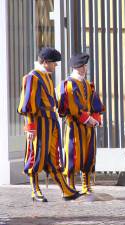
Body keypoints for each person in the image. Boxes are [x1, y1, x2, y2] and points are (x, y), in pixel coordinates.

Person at [17, 47, 80, 202]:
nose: (56, 66)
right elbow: (28, 106)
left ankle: (66, 190)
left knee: (52, 157)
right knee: (35, 155)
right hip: (38, 123)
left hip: (50, 122)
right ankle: (35, 190)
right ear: (45, 62)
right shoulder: (33, 77)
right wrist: (30, 128)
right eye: (53, 63)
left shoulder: (46, 77)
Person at [57, 53, 104, 195]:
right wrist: (86, 118)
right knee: (72, 154)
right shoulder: (68, 84)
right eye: (81, 66)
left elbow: (94, 103)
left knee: (89, 154)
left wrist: (96, 119)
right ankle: (71, 185)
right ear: (75, 67)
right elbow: (69, 106)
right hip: (74, 126)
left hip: (88, 126)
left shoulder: (88, 84)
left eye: (84, 66)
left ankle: (86, 185)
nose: (84, 69)